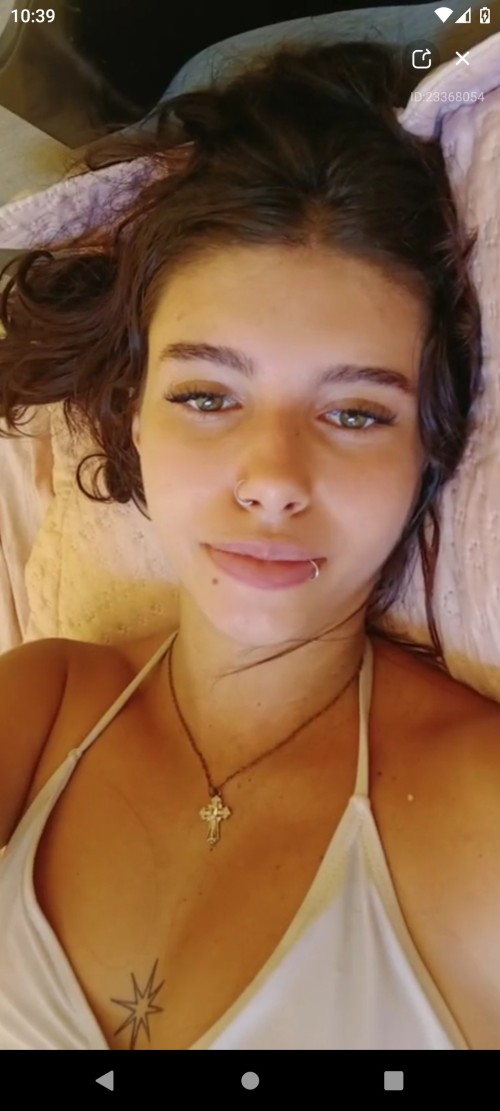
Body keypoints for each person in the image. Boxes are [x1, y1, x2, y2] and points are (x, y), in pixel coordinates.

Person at [0, 39, 499, 1052]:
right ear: (131, 417)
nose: (272, 477)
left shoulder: (477, 810)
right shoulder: (38, 706)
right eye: (206, 395)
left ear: (428, 452)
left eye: (355, 412)